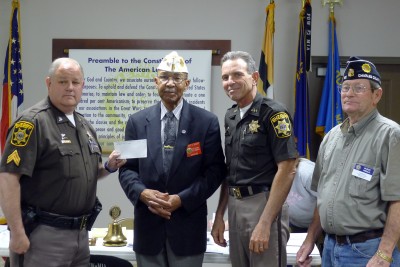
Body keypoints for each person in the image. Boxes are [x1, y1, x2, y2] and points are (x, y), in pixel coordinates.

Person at [0, 57, 125, 267]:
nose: (70, 88)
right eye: (62, 81)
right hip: (43, 236)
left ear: (82, 86)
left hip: (81, 235)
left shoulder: (84, 126)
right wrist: (18, 232)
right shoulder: (32, 123)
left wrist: (108, 167)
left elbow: (88, 173)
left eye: (75, 82)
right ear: (48, 83)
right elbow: (8, 179)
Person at [118, 51, 226, 267]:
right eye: (165, 77)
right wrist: (143, 193)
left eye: (177, 78)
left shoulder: (206, 122)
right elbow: (127, 169)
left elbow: (215, 172)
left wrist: (182, 199)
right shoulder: (136, 122)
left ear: (187, 83)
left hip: (188, 230)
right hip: (148, 228)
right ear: (156, 81)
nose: (170, 83)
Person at [296, 56, 400, 267]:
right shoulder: (331, 137)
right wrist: (310, 239)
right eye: (345, 88)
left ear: (376, 95)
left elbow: (397, 201)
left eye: (359, 88)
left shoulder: (390, 136)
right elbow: (321, 196)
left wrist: (384, 253)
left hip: (367, 251)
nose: (349, 93)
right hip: (330, 249)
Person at [211, 51, 298, 267]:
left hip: (263, 204)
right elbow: (229, 170)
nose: (230, 82)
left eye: (237, 75)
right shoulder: (231, 116)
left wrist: (265, 222)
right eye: (225, 77)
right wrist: (220, 214)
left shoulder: (273, 113)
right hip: (234, 204)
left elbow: (288, 168)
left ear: (255, 78)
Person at [286, 158, 317, 233]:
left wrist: (310, 237)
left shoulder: (306, 172)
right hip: (296, 225)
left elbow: (324, 202)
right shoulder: (272, 174)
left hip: (319, 225)